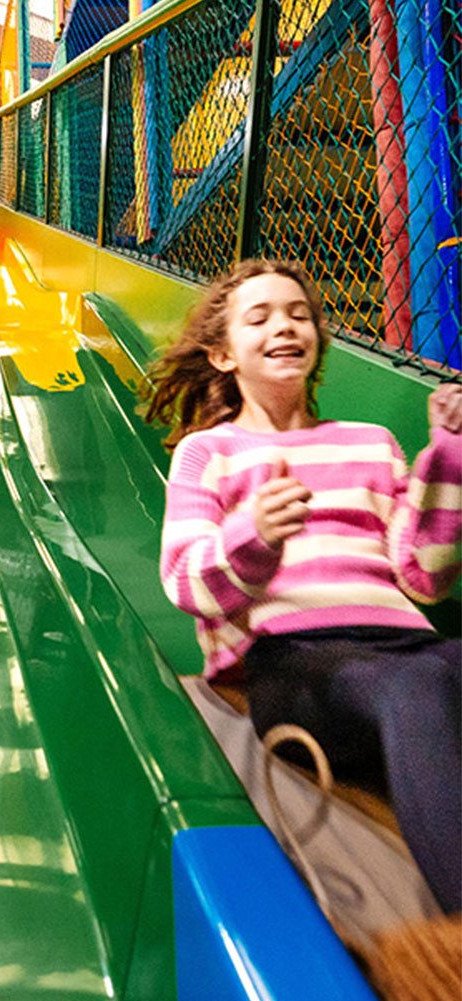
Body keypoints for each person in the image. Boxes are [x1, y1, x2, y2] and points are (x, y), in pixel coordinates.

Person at [143, 258, 462, 913]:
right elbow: (183, 580)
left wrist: (449, 454)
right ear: (223, 354)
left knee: (428, 674)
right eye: (258, 318)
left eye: (297, 313)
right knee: (416, 687)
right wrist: (254, 536)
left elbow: (424, 576)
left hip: (405, 641)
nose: (284, 326)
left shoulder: (371, 443)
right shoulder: (209, 453)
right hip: (292, 660)